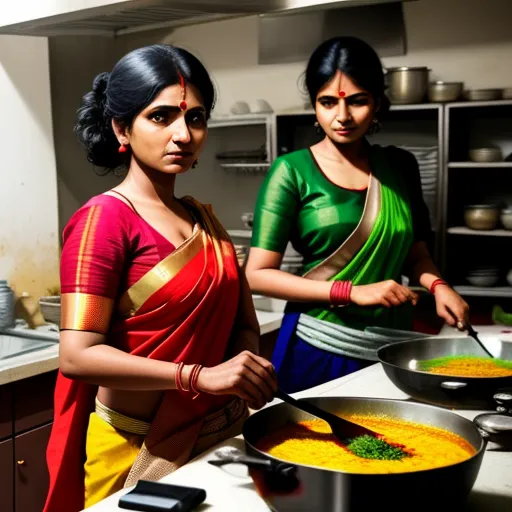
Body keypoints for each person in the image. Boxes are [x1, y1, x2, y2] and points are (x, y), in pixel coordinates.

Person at [44, 44, 277, 512]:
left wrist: (244, 369)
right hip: (138, 452)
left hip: (221, 439)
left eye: (195, 118)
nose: (182, 135)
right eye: (161, 117)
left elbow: (242, 326)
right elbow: (77, 356)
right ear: (121, 128)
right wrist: (201, 378)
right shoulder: (104, 220)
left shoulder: (203, 221)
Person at [245, 37, 469, 394]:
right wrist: (352, 291)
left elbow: (416, 253)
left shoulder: (400, 166)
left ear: (377, 103)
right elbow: (257, 275)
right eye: (328, 102)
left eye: (357, 101)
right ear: (315, 105)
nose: (342, 117)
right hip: (321, 341)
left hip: (393, 342)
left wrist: (440, 287)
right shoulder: (291, 171)